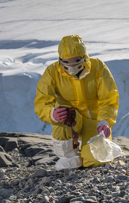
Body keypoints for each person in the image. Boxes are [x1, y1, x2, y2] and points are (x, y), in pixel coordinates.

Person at [35, 35, 119, 170]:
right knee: (63, 118)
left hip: (95, 121)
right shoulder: (52, 72)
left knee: (97, 161)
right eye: (66, 62)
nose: (71, 66)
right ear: (60, 59)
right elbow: (42, 101)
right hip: (70, 119)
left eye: (76, 61)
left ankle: (86, 153)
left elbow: (109, 98)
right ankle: (69, 157)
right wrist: (51, 114)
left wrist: (105, 121)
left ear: (83, 56)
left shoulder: (98, 67)